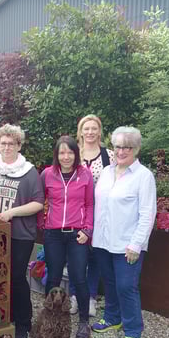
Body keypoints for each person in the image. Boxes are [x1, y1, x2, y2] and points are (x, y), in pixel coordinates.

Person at [0, 124, 45, 338]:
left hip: (20, 234)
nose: (6, 147)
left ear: (19, 145)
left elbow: (38, 203)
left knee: (16, 277)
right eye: (3, 143)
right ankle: (4, 316)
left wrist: (12, 213)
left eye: (11, 144)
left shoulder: (29, 172)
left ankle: (23, 322)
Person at [91, 126, 156, 338]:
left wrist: (136, 244)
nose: (121, 151)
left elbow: (147, 214)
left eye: (127, 147)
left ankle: (133, 330)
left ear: (136, 149)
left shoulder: (143, 176)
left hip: (127, 244)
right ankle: (112, 317)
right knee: (109, 282)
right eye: (118, 146)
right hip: (102, 241)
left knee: (126, 286)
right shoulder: (106, 172)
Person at [40, 135, 94, 338]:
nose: (66, 157)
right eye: (62, 152)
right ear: (56, 154)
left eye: (70, 152)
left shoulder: (85, 175)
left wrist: (87, 230)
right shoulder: (47, 174)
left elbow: (90, 204)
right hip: (53, 234)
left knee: (78, 277)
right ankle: (49, 319)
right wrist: (42, 223)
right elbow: (39, 199)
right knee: (53, 277)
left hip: (76, 234)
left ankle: (83, 322)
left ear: (76, 154)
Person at [70, 114, 115, 317]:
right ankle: (74, 296)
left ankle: (90, 298)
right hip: (75, 213)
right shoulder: (72, 153)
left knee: (95, 256)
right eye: (86, 128)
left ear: (99, 131)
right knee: (75, 255)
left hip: (100, 213)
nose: (90, 132)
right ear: (80, 132)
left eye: (93, 128)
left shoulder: (109, 156)